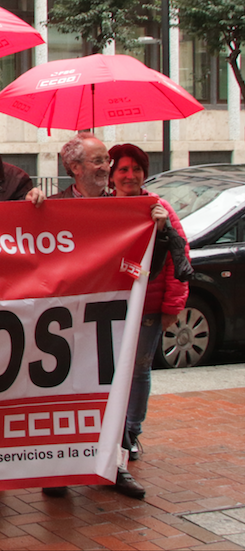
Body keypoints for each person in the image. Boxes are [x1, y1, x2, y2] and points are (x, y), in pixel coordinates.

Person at [44, 132, 145, 499]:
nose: (107, 168)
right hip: (62, 319)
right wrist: (30, 208)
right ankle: (57, 470)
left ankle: (116, 466)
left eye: (107, 161)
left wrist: (160, 228)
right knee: (61, 392)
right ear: (75, 167)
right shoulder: (49, 207)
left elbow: (150, 259)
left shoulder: (127, 208)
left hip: (108, 317)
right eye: (99, 160)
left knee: (112, 389)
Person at [107, 143, 190, 462]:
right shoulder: (101, 207)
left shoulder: (159, 208)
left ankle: (131, 432)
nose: (130, 175)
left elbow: (179, 259)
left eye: (137, 169)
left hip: (148, 309)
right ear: (112, 176)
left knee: (139, 370)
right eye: (123, 169)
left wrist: (172, 306)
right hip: (111, 307)